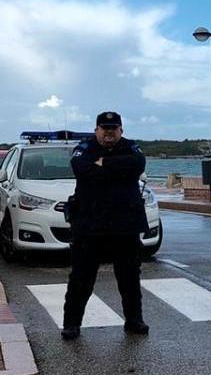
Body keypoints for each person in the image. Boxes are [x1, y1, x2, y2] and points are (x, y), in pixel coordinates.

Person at [61, 111, 150, 339]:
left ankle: (134, 321)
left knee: (130, 278)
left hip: (124, 226)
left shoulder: (132, 148)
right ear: (96, 130)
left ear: (121, 130)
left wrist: (104, 164)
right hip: (90, 226)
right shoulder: (84, 148)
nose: (109, 132)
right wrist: (117, 170)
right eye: (104, 128)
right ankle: (71, 324)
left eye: (114, 128)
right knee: (81, 279)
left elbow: (137, 165)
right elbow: (82, 169)